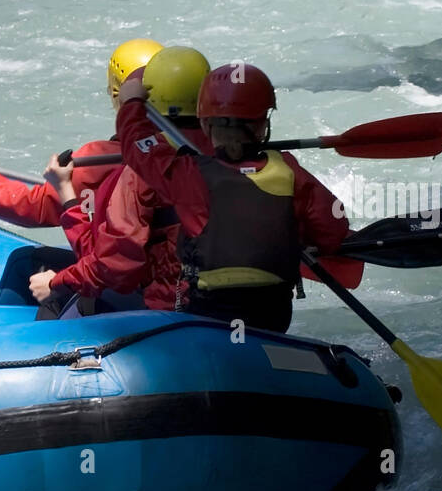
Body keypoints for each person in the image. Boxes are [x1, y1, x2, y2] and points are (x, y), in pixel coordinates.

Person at [114, 61, 352, 332]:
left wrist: (131, 103)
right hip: (273, 316)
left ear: (206, 124)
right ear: (264, 124)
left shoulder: (187, 174)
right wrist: (300, 238)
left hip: (209, 314)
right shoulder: (290, 171)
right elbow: (334, 228)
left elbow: (137, 147)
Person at [0, 38, 162, 304]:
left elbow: (35, 206)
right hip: (168, 284)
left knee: (23, 261)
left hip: (134, 290)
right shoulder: (193, 153)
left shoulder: (99, 160)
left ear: (118, 96)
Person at [28, 46, 215, 312]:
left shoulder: (141, 173)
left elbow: (114, 267)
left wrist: (58, 281)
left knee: (55, 292)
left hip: (171, 311)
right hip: (250, 311)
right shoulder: (237, 155)